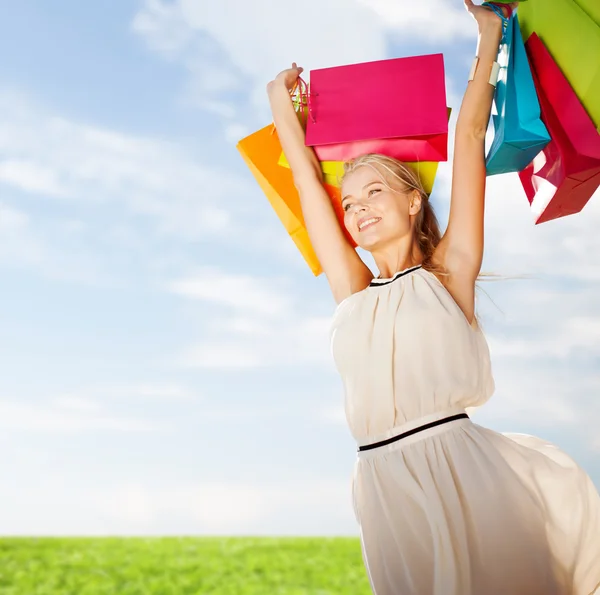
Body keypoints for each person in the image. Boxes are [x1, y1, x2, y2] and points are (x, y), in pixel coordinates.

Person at [266, 1, 600, 593]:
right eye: (350, 202)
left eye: (374, 192)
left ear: (414, 200)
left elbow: (468, 135)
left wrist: (491, 34)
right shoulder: (351, 292)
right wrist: (281, 106)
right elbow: (303, 180)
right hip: (380, 483)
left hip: (459, 472)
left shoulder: (449, 271)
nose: (358, 206)